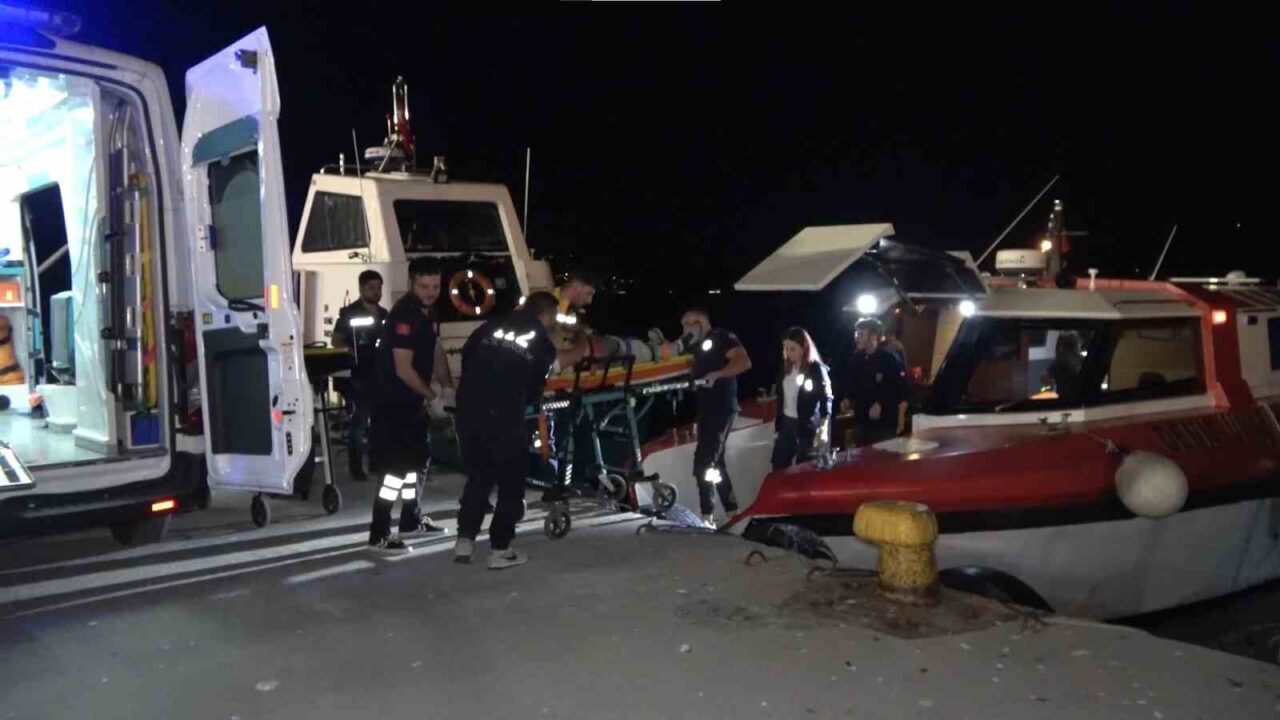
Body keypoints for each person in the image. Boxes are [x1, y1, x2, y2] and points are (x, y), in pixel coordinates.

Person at [454, 291, 560, 569]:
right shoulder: (544, 345)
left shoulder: (491, 325)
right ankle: (500, 549)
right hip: (503, 413)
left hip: (469, 408)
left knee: (479, 475)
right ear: (547, 315)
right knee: (511, 481)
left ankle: (464, 540)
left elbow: (467, 355)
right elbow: (536, 388)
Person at [366, 258, 448, 552]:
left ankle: (410, 518)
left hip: (412, 404)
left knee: (417, 462)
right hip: (394, 404)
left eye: (436, 286)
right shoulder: (404, 316)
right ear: (411, 282)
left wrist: (447, 384)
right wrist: (430, 394)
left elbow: (436, 349)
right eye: (424, 286)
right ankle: (379, 531)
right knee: (394, 471)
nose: (430, 292)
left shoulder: (429, 313)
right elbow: (403, 368)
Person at [682, 307, 752, 528]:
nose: (686, 329)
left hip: (721, 407)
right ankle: (733, 512)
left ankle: (707, 517)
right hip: (705, 409)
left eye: (689, 323)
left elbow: (743, 362)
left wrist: (718, 374)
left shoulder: (722, 337)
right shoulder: (695, 346)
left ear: (702, 321)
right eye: (683, 325)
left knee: (704, 461)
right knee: (716, 462)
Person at [331, 270, 388, 481]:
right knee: (360, 421)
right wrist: (350, 351)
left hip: (379, 373)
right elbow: (336, 340)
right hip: (357, 375)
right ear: (361, 288)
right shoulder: (349, 313)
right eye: (372, 287)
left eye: (379, 287)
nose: (376, 291)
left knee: (380, 421)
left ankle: (376, 463)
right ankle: (356, 468)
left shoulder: (384, 315)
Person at [771, 327, 833, 470]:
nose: (787, 352)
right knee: (778, 463)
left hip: (806, 423)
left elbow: (826, 397)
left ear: (803, 348)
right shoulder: (785, 368)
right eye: (785, 348)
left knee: (805, 465)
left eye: (792, 349)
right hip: (787, 421)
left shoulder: (816, 369)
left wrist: (823, 426)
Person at [842, 317, 908, 447]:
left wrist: (881, 403)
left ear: (873, 337)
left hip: (884, 426)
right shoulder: (857, 358)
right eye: (856, 334)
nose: (857, 338)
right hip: (861, 422)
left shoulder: (889, 359)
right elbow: (851, 383)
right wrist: (847, 398)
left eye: (861, 334)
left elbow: (900, 390)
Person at [1041, 331, 1083, 401]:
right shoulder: (1078, 359)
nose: (1081, 343)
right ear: (1075, 344)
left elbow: (1044, 377)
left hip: (1066, 397)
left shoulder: (1061, 359)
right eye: (1079, 341)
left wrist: (1053, 385)